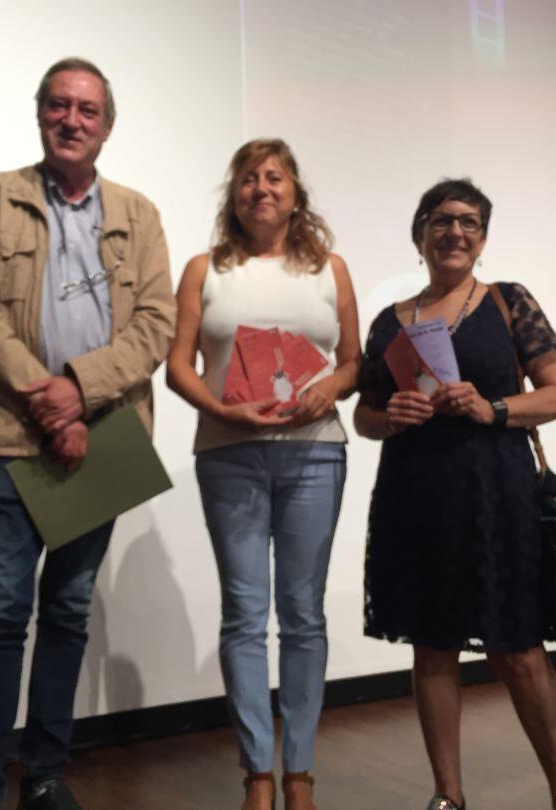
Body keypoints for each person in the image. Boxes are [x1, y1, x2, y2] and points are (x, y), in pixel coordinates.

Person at [0, 57, 175, 810]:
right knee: (2, 614)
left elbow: (155, 326)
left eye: (87, 110)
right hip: (7, 441)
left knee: (69, 613)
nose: (71, 120)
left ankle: (44, 776)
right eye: (58, 106)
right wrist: (48, 404)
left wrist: (79, 391)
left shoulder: (139, 215)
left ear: (106, 126)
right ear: (40, 114)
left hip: (104, 442)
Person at [354, 179, 556, 810]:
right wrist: (391, 415)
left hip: (495, 496)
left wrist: (494, 406)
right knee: (432, 646)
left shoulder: (509, 301)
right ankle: (449, 798)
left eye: (470, 223)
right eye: (442, 220)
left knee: (518, 649)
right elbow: (364, 417)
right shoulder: (388, 321)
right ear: (419, 233)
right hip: (416, 497)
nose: (456, 232)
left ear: (482, 240)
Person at [166, 139, 361, 810]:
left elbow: (356, 362)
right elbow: (178, 366)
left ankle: (300, 773)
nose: (261, 188)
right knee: (245, 617)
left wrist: (333, 384)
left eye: (274, 177)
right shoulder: (203, 270)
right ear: (235, 195)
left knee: (303, 616)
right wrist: (221, 407)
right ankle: (256, 774)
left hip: (315, 453)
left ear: (295, 193)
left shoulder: (330, 269)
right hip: (228, 454)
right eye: (249, 179)